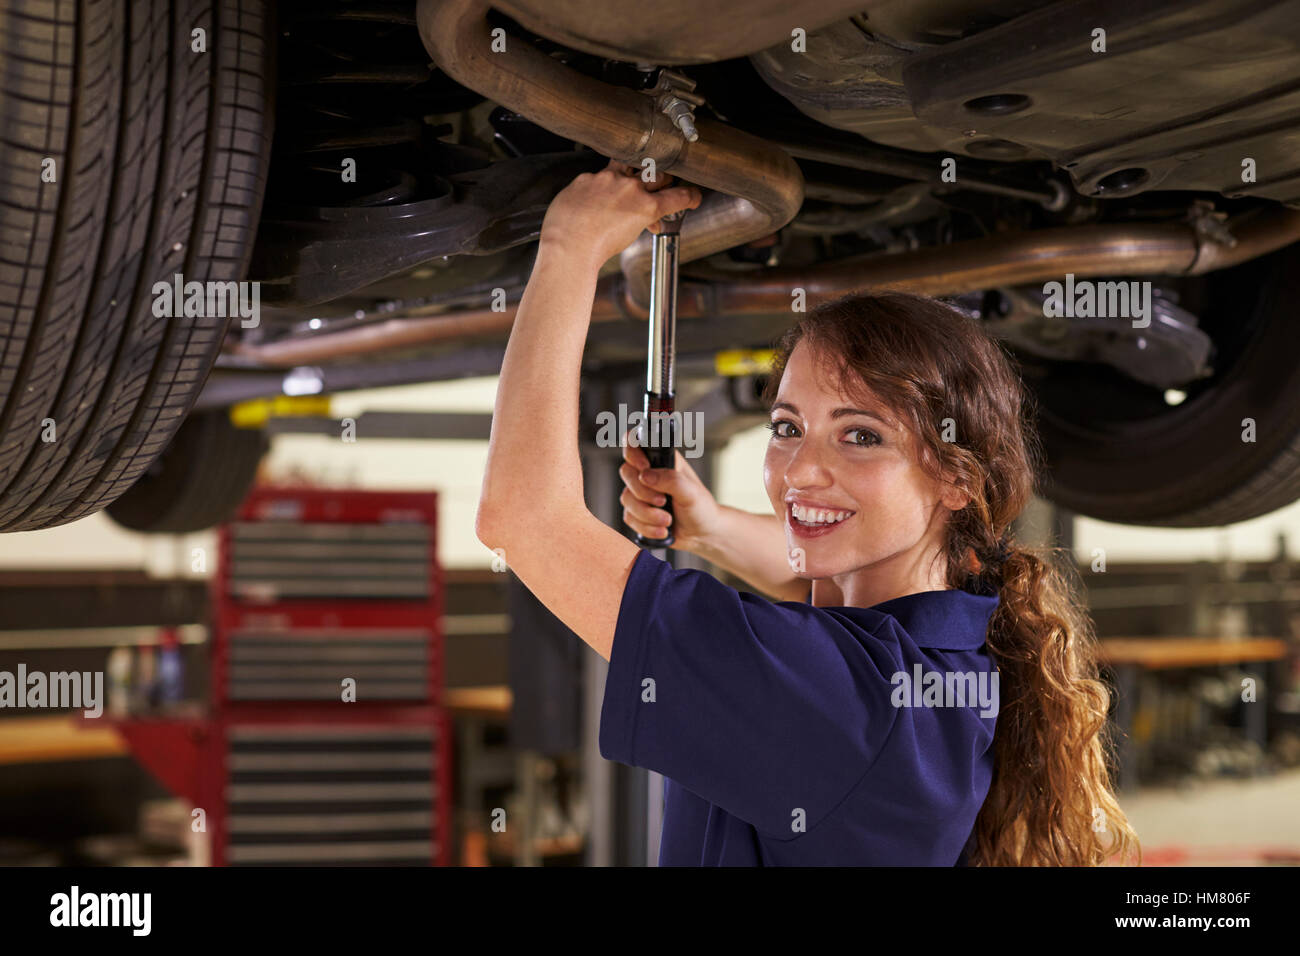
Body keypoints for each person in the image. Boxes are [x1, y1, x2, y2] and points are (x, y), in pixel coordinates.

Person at [476, 160, 1139, 866]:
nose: (800, 471)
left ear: (954, 477)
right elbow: (810, 578)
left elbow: (521, 517)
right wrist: (708, 527)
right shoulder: (947, 642)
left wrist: (567, 248)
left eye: (861, 436)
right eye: (789, 427)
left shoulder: (837, 696)